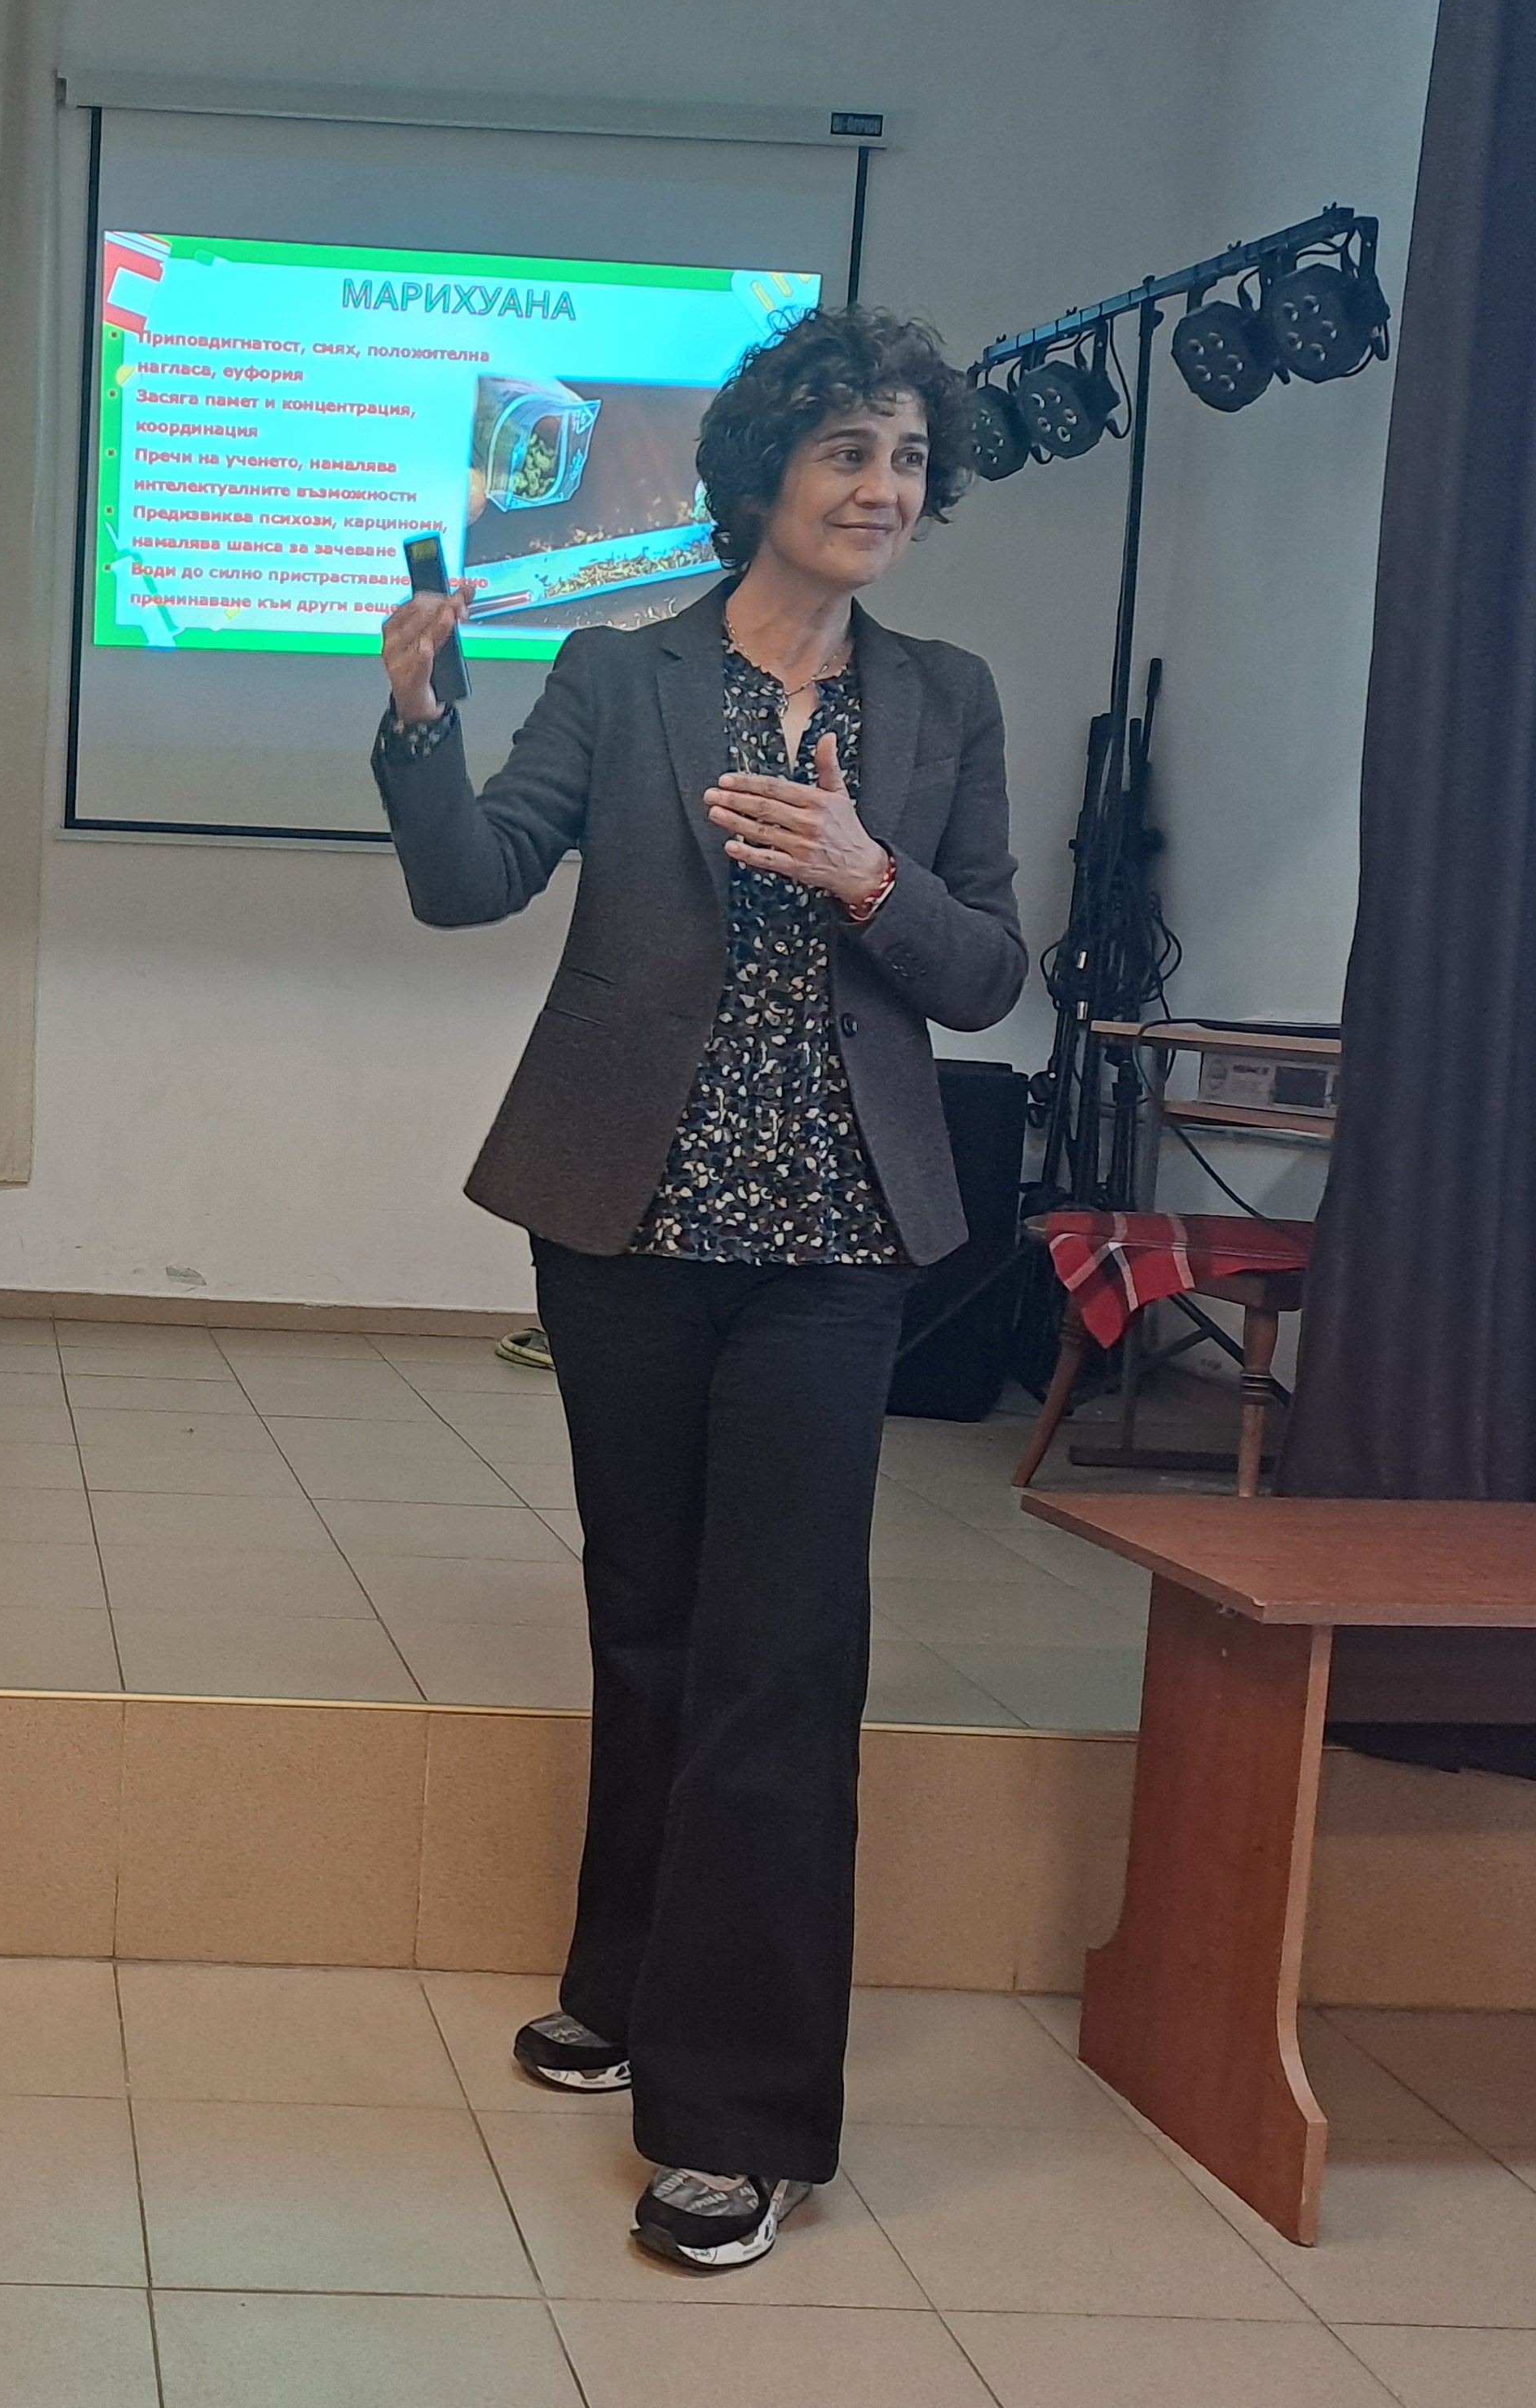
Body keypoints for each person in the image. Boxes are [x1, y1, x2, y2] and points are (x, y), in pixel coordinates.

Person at [372, 307, 1023, 2268]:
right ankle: (627, 1975)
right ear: (760, 477)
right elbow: (468, 880)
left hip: (833, 1243)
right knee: (646, 1616)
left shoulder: (943, 699)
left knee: (780, 1652)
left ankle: (739, 2115)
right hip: (625, 1224)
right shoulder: (617, 672)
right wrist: (417, 722)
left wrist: (863, 872)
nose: (881, 491)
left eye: (907, 460)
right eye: (847, 454)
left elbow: (986, 972)